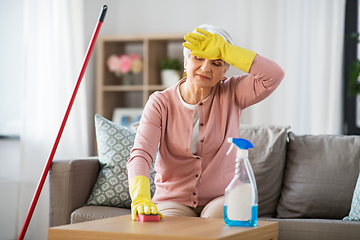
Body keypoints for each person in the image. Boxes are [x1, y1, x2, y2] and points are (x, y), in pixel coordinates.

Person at [127, 24, 284, 221]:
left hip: (220, 198)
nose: (205, 68)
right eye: (198, 58)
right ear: (186, 62)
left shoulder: (233, 92)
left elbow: (274, 76)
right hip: (172, 200)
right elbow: (141, 154)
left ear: (225, 69)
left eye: (216, 63)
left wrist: (228, 51)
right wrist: (140, 198)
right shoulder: (160, 103)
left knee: (214, 227)